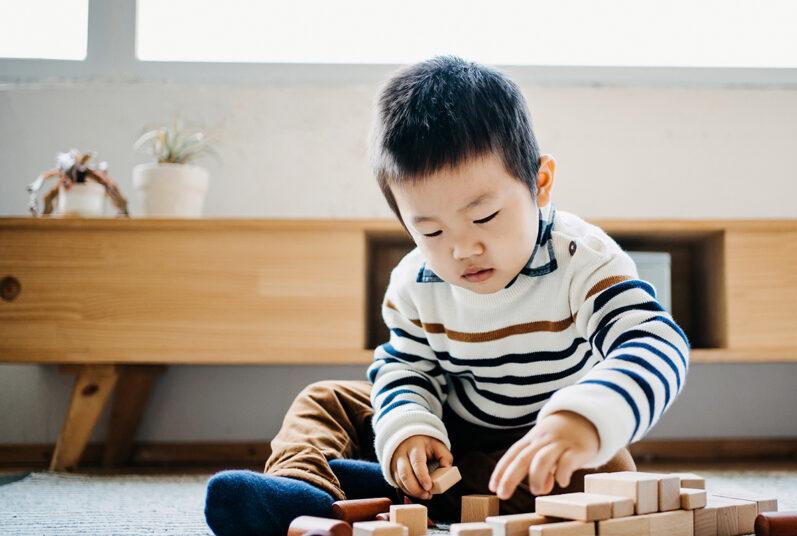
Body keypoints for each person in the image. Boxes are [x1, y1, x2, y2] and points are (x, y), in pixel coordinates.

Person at [205, 55, 691, 535]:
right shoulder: (414, 282)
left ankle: (382, 492)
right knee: (326, 398)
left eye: (484, 218)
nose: (464, 249)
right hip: (452, 427)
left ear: (539, 184)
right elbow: (408, 369)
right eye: (431, 232)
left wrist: (583, 419)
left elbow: (655, 343)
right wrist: (410, 430)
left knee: (607, 480)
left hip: (540, 443)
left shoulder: (583, 261)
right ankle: (301, 490)